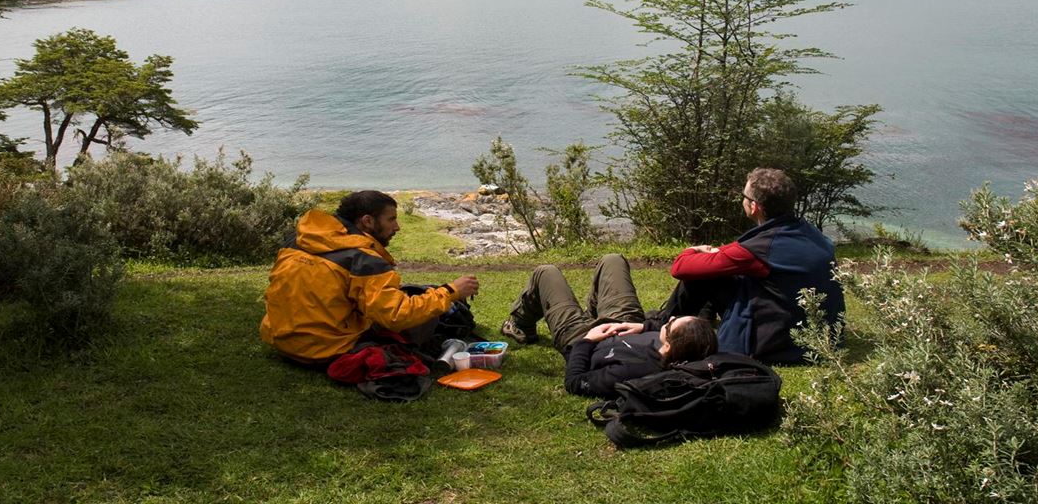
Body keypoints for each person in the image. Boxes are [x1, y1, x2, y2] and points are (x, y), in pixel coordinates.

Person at [645, 168, 844, 364]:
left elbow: (680, 268)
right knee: (717, 271)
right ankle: (689, 321)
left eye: (744, 196)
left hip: (774, 342)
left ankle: (666, 326)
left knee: (700, 275)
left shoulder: (762, 248)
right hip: (818, 337)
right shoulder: (809, 233)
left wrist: (692, 250)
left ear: (754, 206)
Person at [260, 190, 479, 365]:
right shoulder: (363, 260)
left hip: (282, 342)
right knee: (424, 313)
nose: (397, 227)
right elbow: (396, 316)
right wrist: (451, 291)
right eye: (391, 219)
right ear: (367, 221)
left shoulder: (298, 241)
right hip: (324, 349)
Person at [500, 254, 717, 398]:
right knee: (612, 259)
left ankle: (520, 324)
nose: (668, 320)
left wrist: (587, 341)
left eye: (670, 326)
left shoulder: (633, 371)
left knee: (545, 272)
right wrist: (643, 327)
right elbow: (665, 330)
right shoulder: (687, 347)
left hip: (580, 337)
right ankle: (595, 311)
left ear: (668, 347)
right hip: (624, 322)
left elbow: (575, 382)